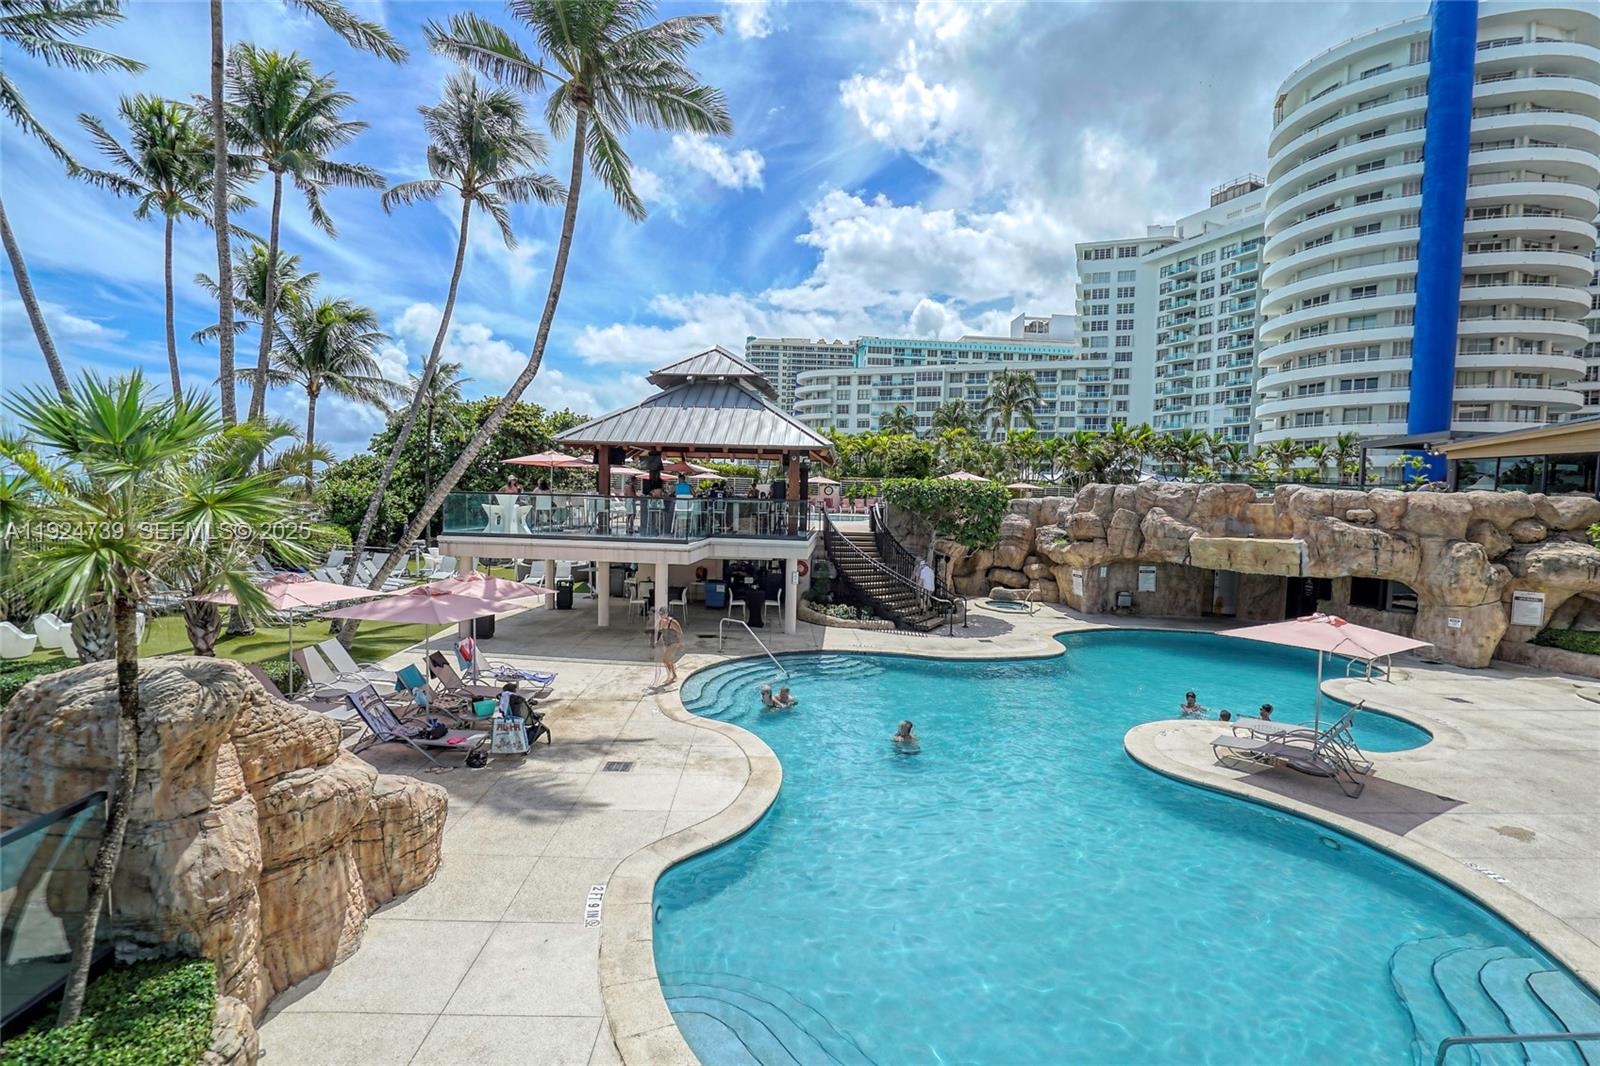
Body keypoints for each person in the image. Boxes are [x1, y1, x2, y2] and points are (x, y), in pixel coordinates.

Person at [653, 606, 684, 685]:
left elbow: (680, 632)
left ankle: (670, 675)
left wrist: (681, 643)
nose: (661, 616)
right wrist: (656, 640)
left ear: (667, 614)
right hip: (666, 642)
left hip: (674, 643)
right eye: (660, 614)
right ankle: (674, 675)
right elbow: (659, 632)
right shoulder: (660, 622)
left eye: (663, 614)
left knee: (665, 659)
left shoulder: (673, 622)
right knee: (669, 660)